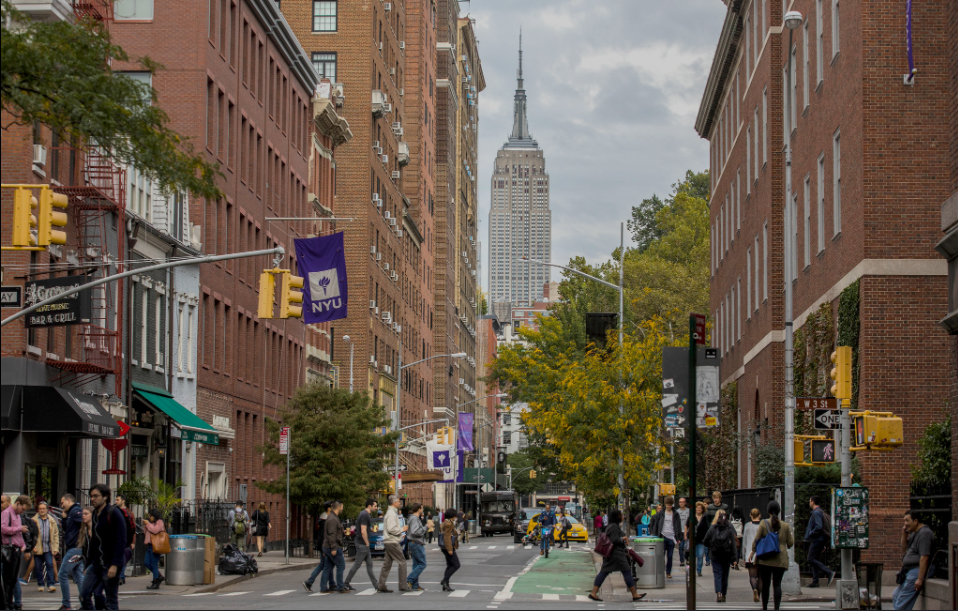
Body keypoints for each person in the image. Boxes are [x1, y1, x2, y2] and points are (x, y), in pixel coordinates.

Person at [80, 484, 127, 611]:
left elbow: (121, 540)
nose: (93, 499)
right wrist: (87, 564)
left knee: (111, 601)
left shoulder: (114, 513)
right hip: (96, 564)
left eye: (96, 496)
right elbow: (94, 542)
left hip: (110, 564)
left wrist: (115, 565)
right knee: (84, 595)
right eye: (91, 497)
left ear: (105, 497)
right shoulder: (95, 514)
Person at [587, 509, 646, 603]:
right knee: (627, 572)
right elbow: (614, 540)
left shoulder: (611, 526)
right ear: (617, 517)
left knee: (604, 572)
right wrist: (624, 538)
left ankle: (593, 593)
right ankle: (634, 594)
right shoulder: (614, 527)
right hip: (616, 554)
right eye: (621, 515)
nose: (623, 517)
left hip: (611, 554)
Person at [750, 501, 794, 611]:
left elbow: (757, 539)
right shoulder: (785, 525)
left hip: (765, 559)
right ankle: (776, 608)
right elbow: (790, 543)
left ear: (768, 511)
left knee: (765, 584)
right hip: (780, 559)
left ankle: (764, 607)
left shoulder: (763, 523)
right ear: (779, 511)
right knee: (777, 584)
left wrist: (753, 551)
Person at [892, 510, 936, 611]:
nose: (905, 524)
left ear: (915, 521)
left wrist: (920, 579)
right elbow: (904, 549)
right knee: (896, 595)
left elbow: (924, 557)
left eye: (907, 520)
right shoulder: (915, 533)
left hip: (917, 570)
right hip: (909, 571)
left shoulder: (925, 534)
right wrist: (904, 534)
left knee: (901, 603)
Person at [342, 499, 378, 592]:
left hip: (362, 543)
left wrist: (371, 530)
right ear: (369, 506)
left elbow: (364, 529)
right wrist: (366, 543)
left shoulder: (364, 514)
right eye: (375, 506)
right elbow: (362, 531)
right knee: (358, 564)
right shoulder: (365, 515)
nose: (376, 508)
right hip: (362, 543)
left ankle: (376, 585)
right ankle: (346, 583)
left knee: (369, 564)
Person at [2, 495, 31, 610]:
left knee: (13, 579)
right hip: (10, 549)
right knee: (8, 579)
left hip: (17, 549)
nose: (22, 512)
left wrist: (23, 545)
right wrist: (19, 529)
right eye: (23, 509)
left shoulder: (17, 515)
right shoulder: (6, 513)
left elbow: (19, 534)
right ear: (18, 503)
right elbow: (3, 529)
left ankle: (10, 603)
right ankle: (7, 604)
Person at [703, 510, 737, 603]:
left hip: (715, 555)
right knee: (725, 575)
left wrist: (711, 546)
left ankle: (718, 592)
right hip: (727, 554)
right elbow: (734, 543)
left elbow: (705, 540)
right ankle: (724, 594)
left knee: (717, 575)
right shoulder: (729, 527)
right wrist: (735, 558)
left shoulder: (713, 527)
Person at [377, 495, 409, 593]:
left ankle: (381, 585)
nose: (400, 503)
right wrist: (402, 529)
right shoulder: (391, 514)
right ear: (394, 503)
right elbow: (391, 529)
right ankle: (403, 585)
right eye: (398, 501)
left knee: (387, 564)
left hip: (388, 540)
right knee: (402, 562)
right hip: (392, 541)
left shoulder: (390, 512)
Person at [59, 494, 85, 610]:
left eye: (62, 502)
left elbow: (83, 524)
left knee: (62, 574)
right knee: (78, 575)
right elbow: (68, 529)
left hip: (75, 547)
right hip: (75, 547)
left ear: (68, 501)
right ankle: (85, 603)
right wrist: (64, 519)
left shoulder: (76, 511)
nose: (61, 505)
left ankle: (66, 604)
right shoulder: (70, 513)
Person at [650, 496, 683, 579]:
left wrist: (678, 537)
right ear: (665, 504)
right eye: (668, 505)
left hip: (671, 537)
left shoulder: (675, 514)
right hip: (662, 536)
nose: (669, 506)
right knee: (661, 555)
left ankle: (668, 572)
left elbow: (678, 526)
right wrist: (654, 534)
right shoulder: (661, 513)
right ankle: (661, 572)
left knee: (670, 556)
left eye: (670, 505)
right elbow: (656, 524)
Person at [805, 496, 834, 588]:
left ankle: (829, 572)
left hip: (817, 539)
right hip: (820, 539)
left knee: (810, 558)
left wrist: (810, 533)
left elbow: (819, 526)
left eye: (810, 501)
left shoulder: (816, 513)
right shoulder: (819, 512)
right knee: (815, 560)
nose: (809, 503)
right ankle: (815, 581)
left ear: (813, 502)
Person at [303, 501, 332, 593]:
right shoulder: (325, 520)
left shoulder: (324, 518)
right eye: (332, 506)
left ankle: (331, 583)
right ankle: (310, 581)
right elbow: (323, 536)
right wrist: (324, 548)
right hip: (323, 546)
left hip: (322, 545)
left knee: (327, 565)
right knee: (323, 565)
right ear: (328, 508)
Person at [31, 501, 59, 593]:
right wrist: (32, 546)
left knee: (49, 565)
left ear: (47, 510)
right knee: (38, 566)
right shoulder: (33, 520)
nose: (42, 510)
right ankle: (41, 584)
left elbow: (55, 534)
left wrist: (55, 548)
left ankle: (50, 584)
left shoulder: (52, 520)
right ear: (38, 510)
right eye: (40, 509)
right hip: (37, 547)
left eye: (43, 508)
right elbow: (30, 535)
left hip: (48, 547)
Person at [321, 501, 347, 594]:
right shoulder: (332, 519)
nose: (343, 509)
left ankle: (323, 587)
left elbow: (333, 532)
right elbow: (331, 535)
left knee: (327, 567)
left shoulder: (333, 517)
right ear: (339, 507)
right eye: (342, 507)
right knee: (341, 565)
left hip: (328, 546)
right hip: (333, 546)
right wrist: (333, 548)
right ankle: (340, 587)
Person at [113, 494, 137, 585]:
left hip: (126, 539)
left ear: (123, 501)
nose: (116, 501)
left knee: (123, 558)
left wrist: (133, 541)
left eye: (118, 500)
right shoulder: (114, 511)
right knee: (119, 558)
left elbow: (133, 528)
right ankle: (120, 576)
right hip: (117, 539)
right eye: (115, 500)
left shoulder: (129, 513)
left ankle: (121, 577)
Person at [741, 508, 763, 603]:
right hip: (762, 554)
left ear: (751, 516)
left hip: (750, 554)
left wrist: (743, 553)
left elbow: (744, 541)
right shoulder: (763, 525)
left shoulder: (747, 526)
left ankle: (754, 589)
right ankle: (759, 593)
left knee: (753, 576)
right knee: (761, 577)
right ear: (760, 515)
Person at [142, 509, 166, 590]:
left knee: (154, 564)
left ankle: (156, 581)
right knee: (146, 562)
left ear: (154, 515)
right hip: (149, 545)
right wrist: (145, 525)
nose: (149, 517)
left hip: (156, 545)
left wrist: (148, 524)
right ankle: (158, 576)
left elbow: (155, 530)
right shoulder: (151, 523)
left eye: (150, 516)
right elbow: (146, 533)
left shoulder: (159, 522)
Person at [406, 503, 427, 591]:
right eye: (422, 508)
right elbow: (415, 532)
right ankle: (409, 580)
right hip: (416, 543)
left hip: (413, 543)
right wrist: (426, 527)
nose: (422, 510)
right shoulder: (415, 519)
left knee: (416, 564)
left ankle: (414, 585)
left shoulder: (411, 518)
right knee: (422, 563)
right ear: (418, 509)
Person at [439, 509, 460, 592]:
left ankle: (446, 584)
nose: (455, 518)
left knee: (449, 565)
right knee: (456, 565)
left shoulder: (445, 522)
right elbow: (447, 537)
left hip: (444, 547)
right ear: (452, 516)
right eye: (455, 516)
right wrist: (450, 549)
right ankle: (445, 580)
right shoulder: (448, 524)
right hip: (448, 547)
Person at [693, 502, 709, 578]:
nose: (698, 509)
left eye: (700, 508)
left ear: (702, 509)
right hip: (693, 539)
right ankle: (692, 569)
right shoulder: (692, 517)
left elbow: (707, 529)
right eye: (697, 508)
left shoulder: (705, 518)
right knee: (693, 555)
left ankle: (699, 570)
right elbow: (687, 525)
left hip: (701, 539)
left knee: (700, 555)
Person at [676, 498, 691, 566]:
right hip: (680, 531)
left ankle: (687, 558)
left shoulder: (689, 511)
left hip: (688, 531)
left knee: (688, 547)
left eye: (683, 502)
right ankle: (682, 560)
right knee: (681, 547)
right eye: (680, 502)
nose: (681, 503)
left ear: (685, 503)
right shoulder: (677, 512)